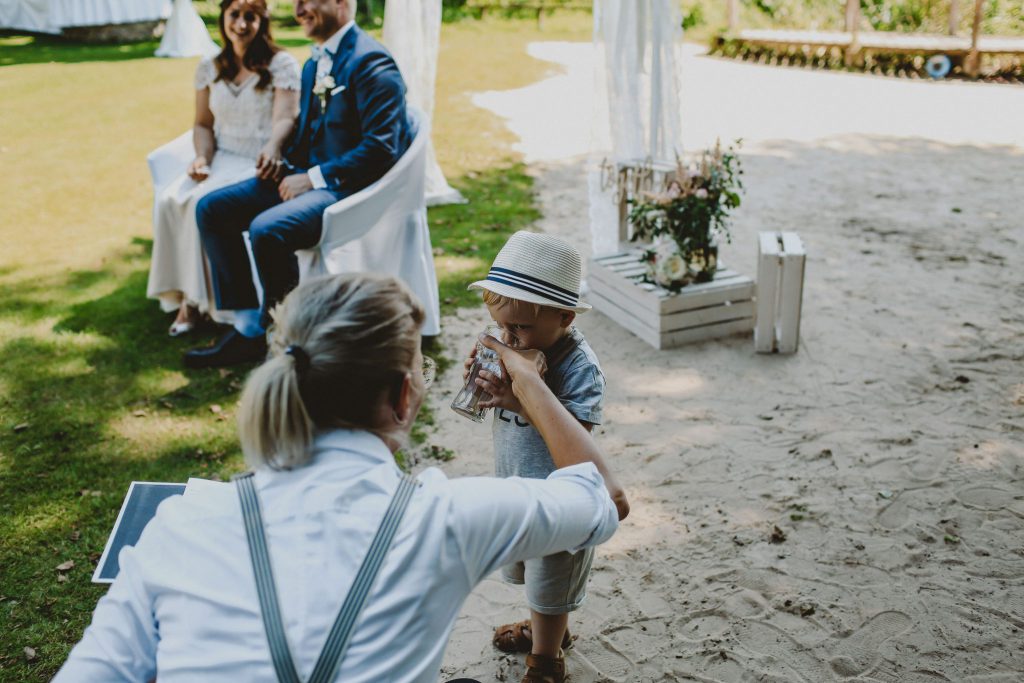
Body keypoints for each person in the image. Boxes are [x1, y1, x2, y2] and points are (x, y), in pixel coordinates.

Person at [53, 273, 629, 682]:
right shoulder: (446, 519)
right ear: (405, 397)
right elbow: (603, 497)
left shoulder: (177, 525)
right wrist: (528, 382)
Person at [184, 0, 413, 368]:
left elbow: (382, 147)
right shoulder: (313, 63)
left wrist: (313, 177)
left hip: (346, 187)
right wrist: (281, 160)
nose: (300, 9)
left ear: (341, 4)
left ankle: (284, 335)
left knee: (268, 228)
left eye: (309, 1)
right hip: (305, 175)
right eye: (297, 2)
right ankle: (247, 329)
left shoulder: (372, 62)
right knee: (212, 208)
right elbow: (308, 133)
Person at [463, 231, 607, 683]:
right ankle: (549, 632)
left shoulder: (579, 366)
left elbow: (575, 438)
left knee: (552, 581)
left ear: (564, 317)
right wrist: (483, 383)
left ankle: (546, 662)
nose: (507, 337)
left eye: (520, 328)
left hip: (562, 501)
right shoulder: (516, 347)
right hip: (519, 488)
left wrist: (520, 398)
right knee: (532, 575)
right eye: (501, 326)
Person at [147, 0, 300, 337]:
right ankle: (189, 295)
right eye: (235, 15)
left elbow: (285, 117)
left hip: (257, 162)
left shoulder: (281, 64)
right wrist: (202, 157)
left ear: (263, 21)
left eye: (250, 17)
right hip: (220, 157)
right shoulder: (209, 66)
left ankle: (204, 303)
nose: (241, 25)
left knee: (203, 204)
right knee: (173, 199)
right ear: (223, 18)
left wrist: (273, 146)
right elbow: (202, 124)